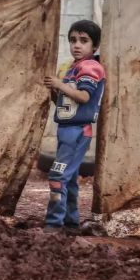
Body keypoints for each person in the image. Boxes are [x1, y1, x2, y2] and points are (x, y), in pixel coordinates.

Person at [43, 20, 106, 232]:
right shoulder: (72, 68)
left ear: (95, 46)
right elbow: (65, 104)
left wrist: (60, 85)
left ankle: (53, 225)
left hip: (77, 131)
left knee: (57, 176)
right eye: (72, 40)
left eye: (83, 41)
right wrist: (55, 92)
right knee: (68, 180)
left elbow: (83, 96)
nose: (76, 45)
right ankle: (70, 222)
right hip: (66, 129)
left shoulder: (91, 67)